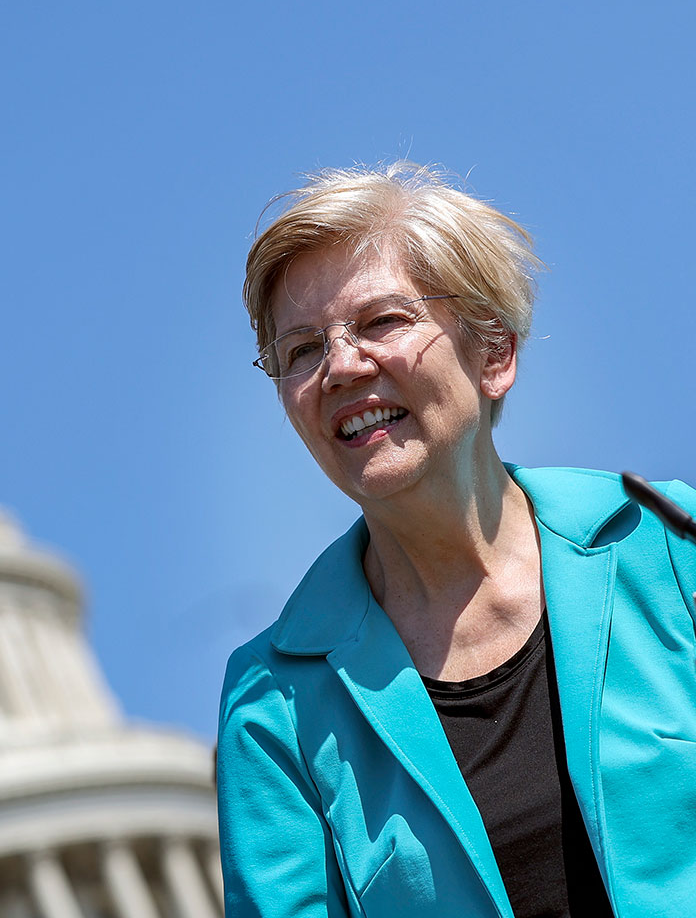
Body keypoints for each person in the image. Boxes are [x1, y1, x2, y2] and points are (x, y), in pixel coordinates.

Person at [216, 163, 696, 917]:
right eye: (302, 351)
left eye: (380, 322)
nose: (341, 366)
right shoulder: (273, 703)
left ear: (494, 353)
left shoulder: (665, 543)